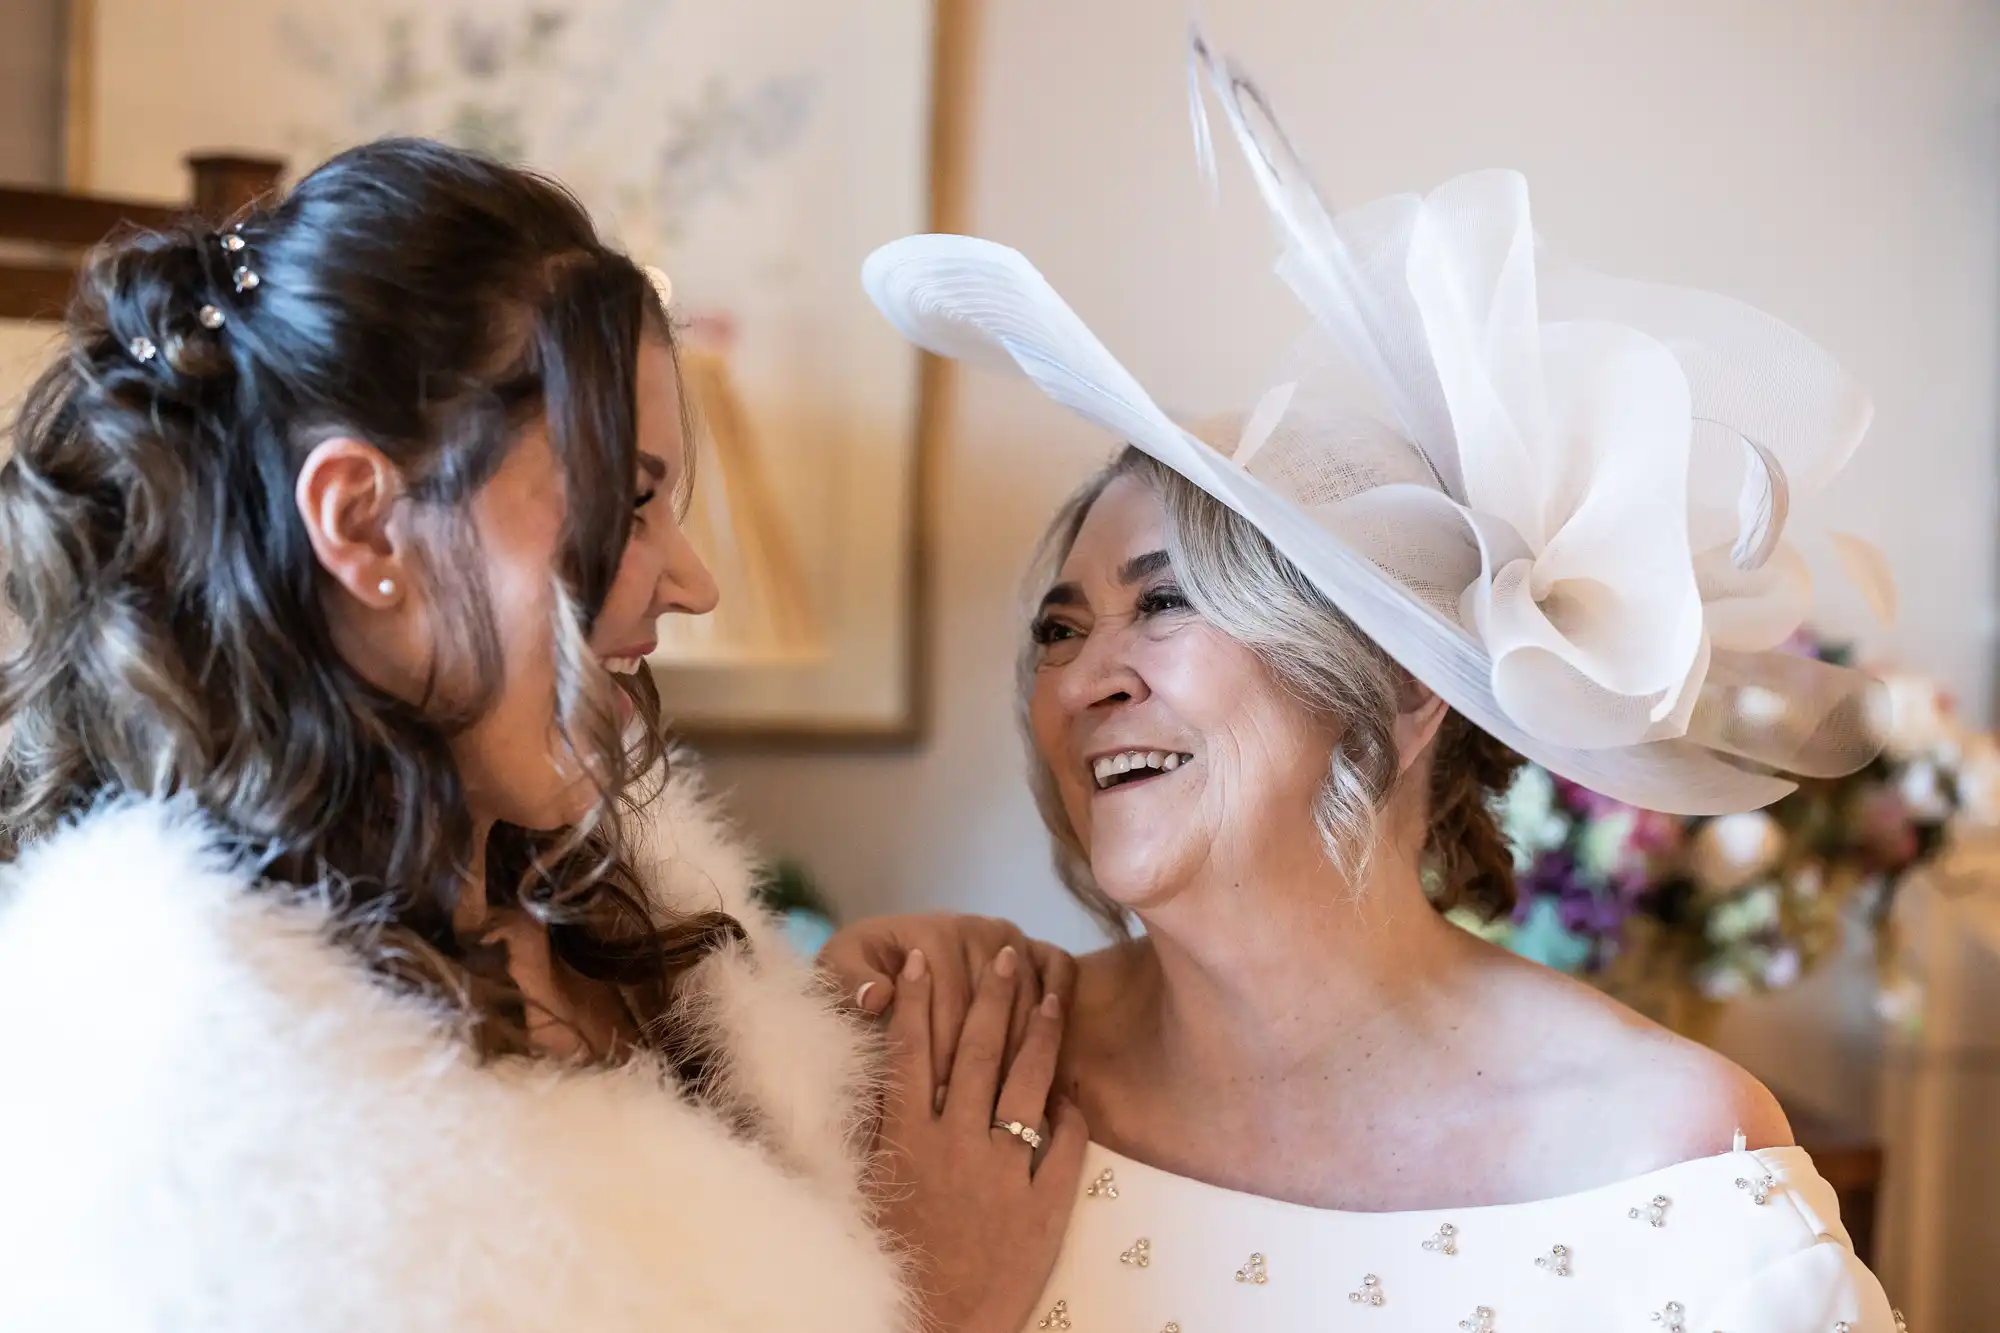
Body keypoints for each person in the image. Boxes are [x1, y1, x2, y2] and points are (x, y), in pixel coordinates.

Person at [838, 35, 1902, 1333]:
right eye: (1061, 631)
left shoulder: (1673, 1172)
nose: (1088, 680)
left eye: (1167, 605)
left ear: (1400, 691)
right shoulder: (965, 1070)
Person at [0, 137, 1084, 1333]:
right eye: (626, 501)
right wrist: (944, 1300)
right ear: (363, 523)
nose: (694, 581)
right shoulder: (207, 1123)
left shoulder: (624, 911)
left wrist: (832, 1035)